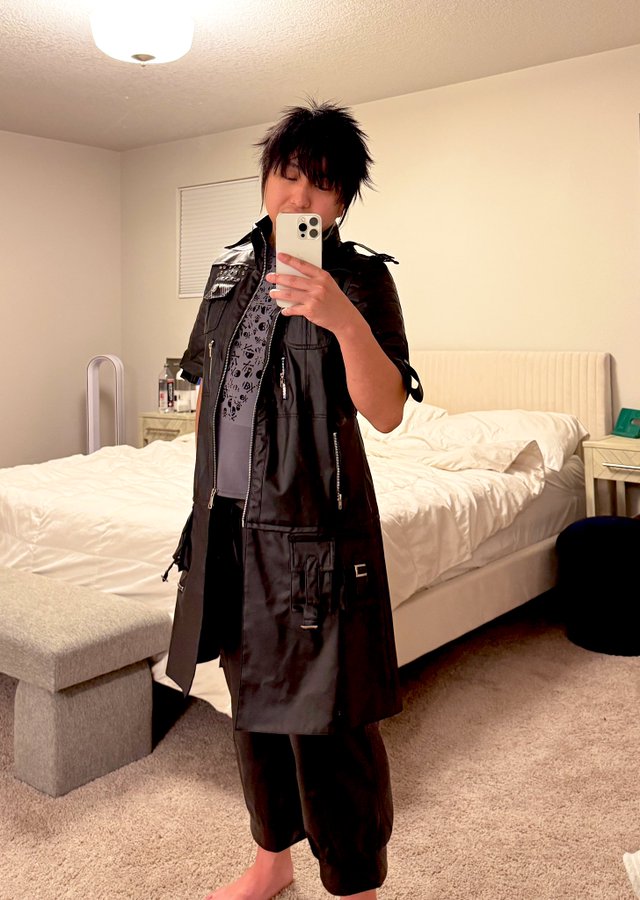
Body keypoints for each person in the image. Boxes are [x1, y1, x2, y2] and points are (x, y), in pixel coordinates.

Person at [166, 99, 423, 900]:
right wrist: (202, 495)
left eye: (321, 185)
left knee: (330, 720)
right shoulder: (228, 275)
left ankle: (356, 886)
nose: (298, 197)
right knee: (249, 702)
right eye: (287, 176)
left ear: (342, 201)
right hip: (229, 526)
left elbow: (387, 410)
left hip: (315, 532)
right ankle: (270, 862)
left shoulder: (362, 279)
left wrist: (341, 319)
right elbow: (205, 392)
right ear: (265, 180)